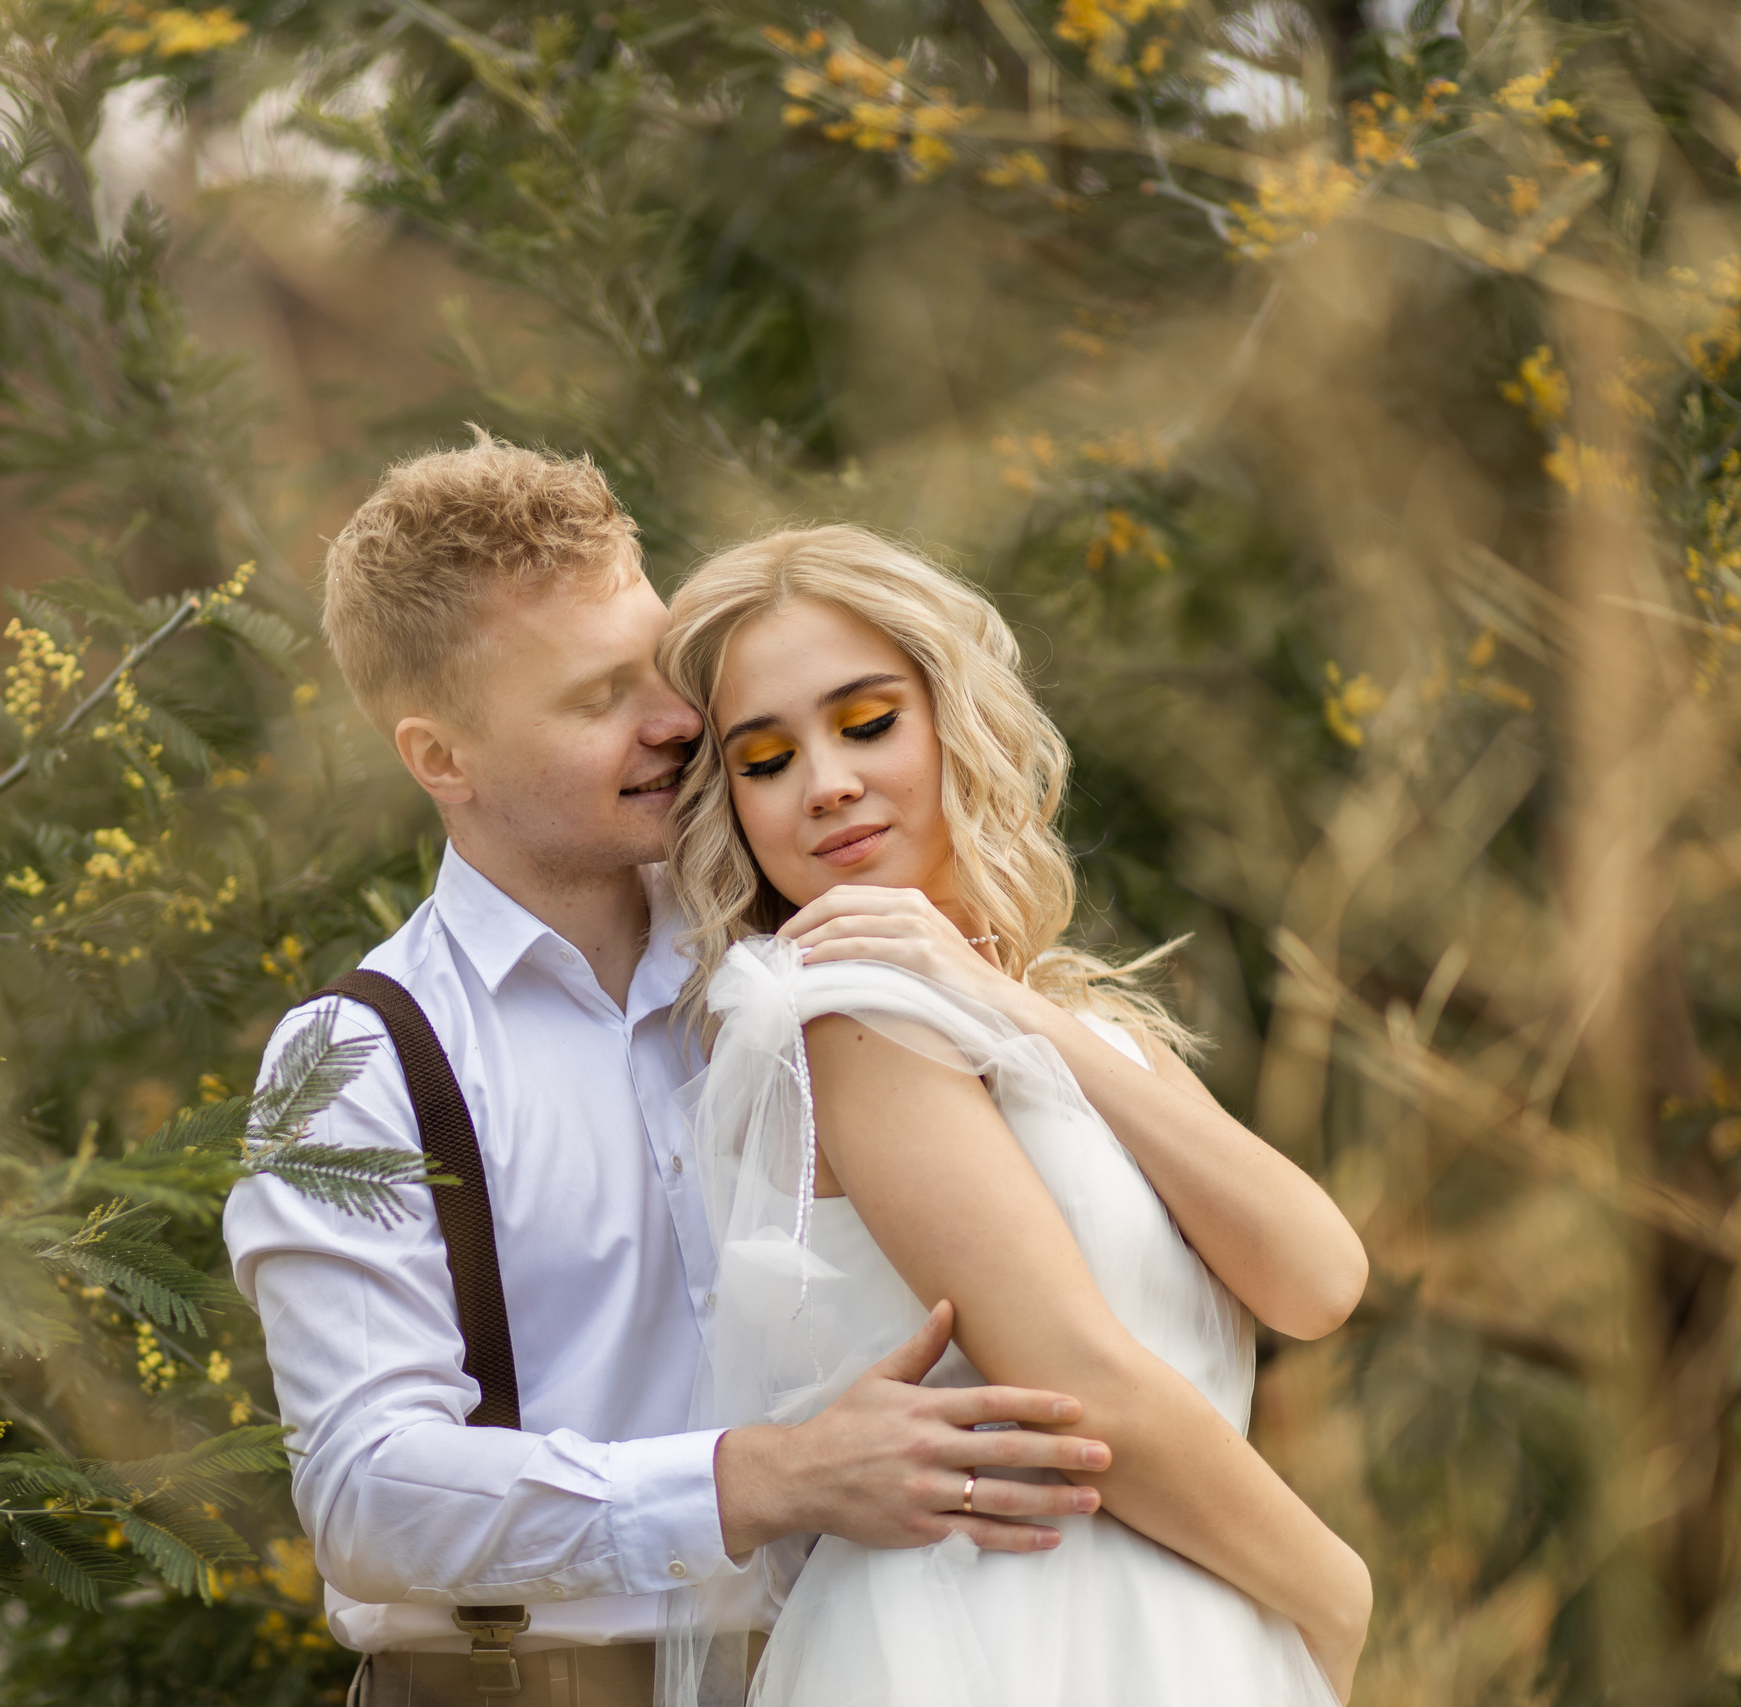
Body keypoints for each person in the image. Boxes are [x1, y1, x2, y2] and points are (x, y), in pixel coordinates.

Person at [223, 441, 1113, 1707]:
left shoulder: (799, 941)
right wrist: (768, 1479)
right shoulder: (359, 1058)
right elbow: (367, 1492)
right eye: (598, 701)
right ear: (441, 760)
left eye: (662, 665)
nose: (678, 721)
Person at [651, 524, 1373, 1706]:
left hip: (1183, 1626)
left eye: (868, 722)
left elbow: (1314, 1276)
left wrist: (1008, 1004)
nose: (825, 782)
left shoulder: (1062, 1019)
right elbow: (1073, 1385)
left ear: (953, 721)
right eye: (765, 759)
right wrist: (1331, 1588)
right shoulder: (852, 1019)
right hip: (989, 1638)